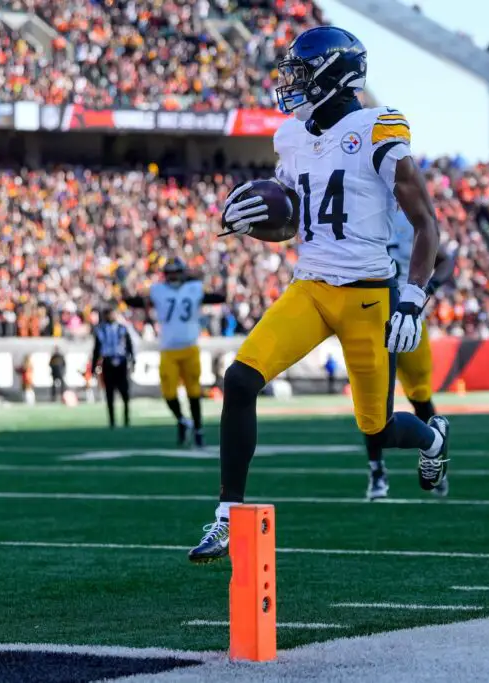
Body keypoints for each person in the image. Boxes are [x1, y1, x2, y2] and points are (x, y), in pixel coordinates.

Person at [189, 26, 449, 563]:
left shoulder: (378, 127)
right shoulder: (292, 134)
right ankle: (227, 516)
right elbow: (295, 222)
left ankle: (432, 440)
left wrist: (413, 297)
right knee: (239, 380)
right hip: (309, 287)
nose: (294, 83)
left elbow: (426, 223)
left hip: (368, 297)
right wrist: (261, 220)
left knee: (376, 429)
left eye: (304, 72)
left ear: (335, 73)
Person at [365, 208, 454, 500]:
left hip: (408, 317)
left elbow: (444, 261)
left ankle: (435, 458)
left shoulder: (411, 218)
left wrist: (428, 287)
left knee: (420, 395)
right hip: (367, 318)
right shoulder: (359, 211)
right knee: (371, 401)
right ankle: (376, 471)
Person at [125, 257, 226, 447]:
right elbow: (135, 302)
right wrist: (124, 290)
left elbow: (218, 298)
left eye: (175, 272)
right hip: (168, 349)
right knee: (168, 392)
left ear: (182, 272)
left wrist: (224, 281)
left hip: (190, 348)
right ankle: (182, 420)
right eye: (169, 272)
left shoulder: (194, 288)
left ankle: (198, 429)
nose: (172, 276)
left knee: (194, 392)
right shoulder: (158, 290)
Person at [91, 307, 135, 429]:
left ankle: (126, 419)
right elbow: (96, 350)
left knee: (124, 393)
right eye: (108, 314)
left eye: (112, 314)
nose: (110, 316)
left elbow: (130, 345)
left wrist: (133, 360)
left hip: (121, 362)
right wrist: (94, 366)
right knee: (109, 393)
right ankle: (112, 421)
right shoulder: (101, 330)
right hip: (108, 362)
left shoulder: (122, 328)